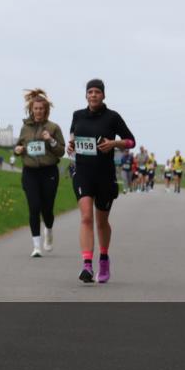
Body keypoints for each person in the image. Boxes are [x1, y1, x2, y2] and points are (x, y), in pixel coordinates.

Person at [67, 79, 135, 284]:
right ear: (86, 95)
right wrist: (70, 146)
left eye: (97, 92)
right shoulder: (77, 115)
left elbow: (131, 141)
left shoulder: (112, 117)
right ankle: (87, 265)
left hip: (105, 174)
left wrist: (114, 143)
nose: (93, 95)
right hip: (82, 171)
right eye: (90, 92)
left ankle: (104, 259)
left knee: (101, 221)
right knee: (86, 216)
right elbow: (72, 135)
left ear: (103, 95)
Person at [12, 89, 65, 258]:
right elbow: (18, 148)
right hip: (30, 172)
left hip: (49, 172)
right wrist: (17, 150)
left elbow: (61, 151)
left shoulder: (53, 127)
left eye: (42, 108)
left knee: (47, 209)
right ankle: (36, 246)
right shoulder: (25, 128)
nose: (38, 111)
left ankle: (48, 230)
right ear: (31, 109)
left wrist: (50, 139)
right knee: (34, 207)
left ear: (46, 110)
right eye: (36, 108)